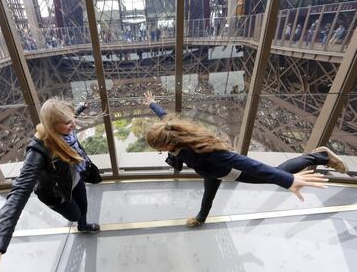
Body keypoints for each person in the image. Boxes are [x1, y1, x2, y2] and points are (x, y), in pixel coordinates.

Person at [143, 91, 347, 227]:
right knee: (208, 196)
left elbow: (247, 164)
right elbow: (164, 118)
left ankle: (319, 156)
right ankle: (201, 218)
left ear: (166, 144)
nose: (160, 151)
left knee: (277, 171)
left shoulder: (201, 150)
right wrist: (152, 104)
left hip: (227, 171)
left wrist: (289, 180)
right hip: (211, 171)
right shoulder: (172, 132)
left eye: (159, 148)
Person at [0, 99, 100, 272]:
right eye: (68, 122)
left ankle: (83, 226)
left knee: (83, 207)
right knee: (75, 214)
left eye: (72, 119)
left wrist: (81, 107)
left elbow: (70, 118)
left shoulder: (64, 132)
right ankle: (79, 221)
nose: (74, 125)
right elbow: (19, 192)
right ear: (52, 126)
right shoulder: (39, 149)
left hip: (74, 179)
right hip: (56, 193)